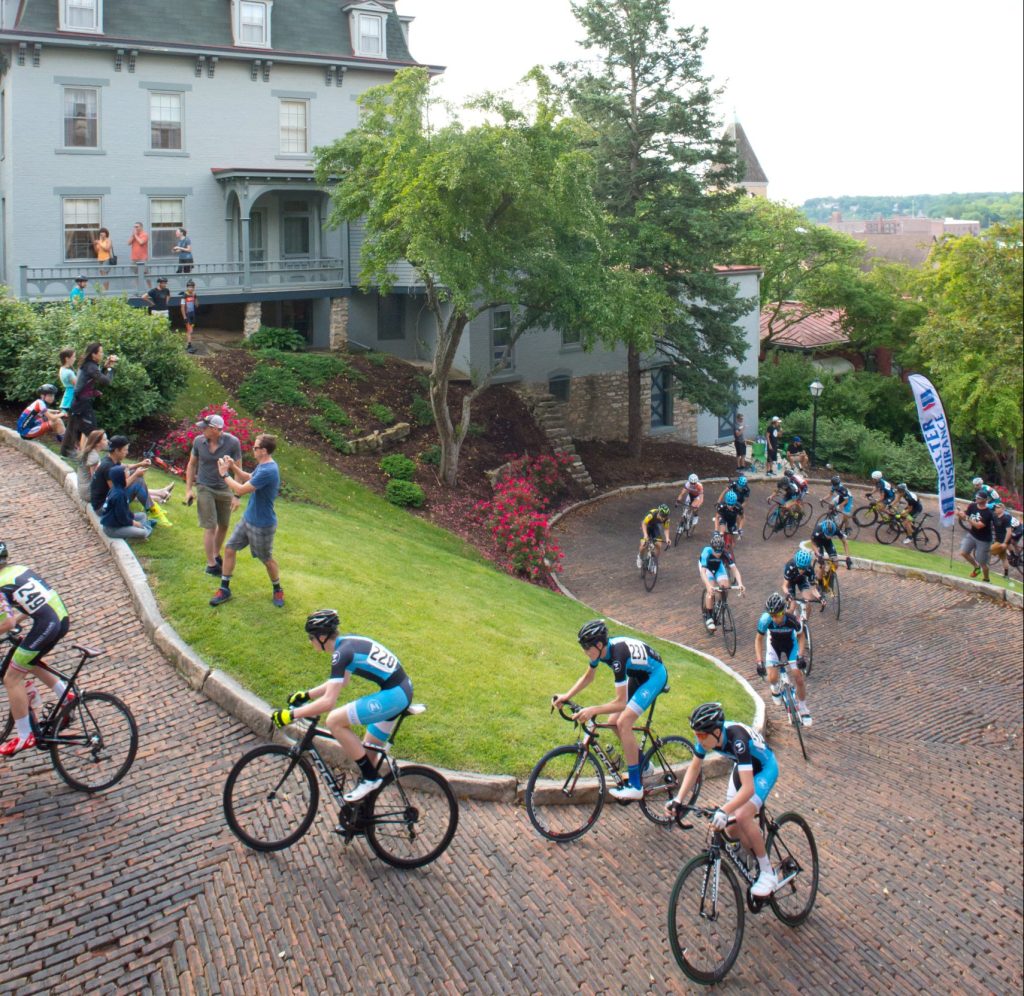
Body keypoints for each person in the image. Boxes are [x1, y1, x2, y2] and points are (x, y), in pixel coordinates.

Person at [271, 609, 414, 803]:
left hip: (395, 695)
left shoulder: (340, 654)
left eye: (311, 637)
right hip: (400, 689)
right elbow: (341, 682)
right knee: (368, 756)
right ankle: (363, 815)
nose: (310, 641)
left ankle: (371, 779)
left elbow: (329, 702)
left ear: (321, 637)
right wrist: (306, 695)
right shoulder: (347, 643)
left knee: (335, 720)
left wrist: (292, 714)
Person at [666, 703, 781, 898]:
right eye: (695, 734)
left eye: (701, 735)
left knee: (742, 815)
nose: (698, 739)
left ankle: (767, 872)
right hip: (743, 767)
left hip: (764, 769)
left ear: (717, 732)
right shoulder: (706, 737)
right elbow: (694, 769)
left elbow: (748, 789)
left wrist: (724, 809)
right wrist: (678, 799)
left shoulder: (738, 740)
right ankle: (751, 848)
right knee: (730, 827)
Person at [553, 620, 669, 801]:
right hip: (639, 675)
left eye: (586, 647)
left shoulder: (617, 657)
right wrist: (566, 696)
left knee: (623, 722)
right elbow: (589, 676)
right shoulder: (601, 651)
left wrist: (592, 710)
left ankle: (636, 787)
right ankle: (643, 766)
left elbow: (621, 703)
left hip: (655, 676)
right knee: (612, 722)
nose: (584, 651)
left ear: (599, 645)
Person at [0, 541, 75, 756]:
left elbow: (7, 624)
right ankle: (66, 695)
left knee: (11, 678)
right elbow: (33, 603)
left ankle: (25, 736)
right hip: (59, 617)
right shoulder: (18, 571)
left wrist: (11, 623)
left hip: (46, 625)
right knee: (27, 660)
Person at [210, 434, 283, 608]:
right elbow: (248, 477)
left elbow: (241, 490)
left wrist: (224, 474)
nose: (253, 449)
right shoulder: (263, 465)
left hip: (262, 524)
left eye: (255, 447)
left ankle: (278, 589)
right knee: (229, 548)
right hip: (248, 519)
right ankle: (224, 588)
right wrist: (234, 467)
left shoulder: (269, 470)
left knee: (266, 559)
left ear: (264, 451)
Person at [185, 413, 242, 576]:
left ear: (215, 429)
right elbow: (191, 465)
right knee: (210, 526)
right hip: (204, 486)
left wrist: (237, 495)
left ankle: (216, 555)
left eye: (205, 427)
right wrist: (189, 489)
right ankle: (211, 564)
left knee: (223, 525)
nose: (201, 430)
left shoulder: (232, 443)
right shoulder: (198, 441)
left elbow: (238, 469)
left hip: (224, 488)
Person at [88, 434, 172, 524]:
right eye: (125, 450)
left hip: (108, 499)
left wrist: (140, 464)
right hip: (103, 508)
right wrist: (135, 475)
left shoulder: (110, 459)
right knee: (138, 481)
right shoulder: (108, 467)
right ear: (117, 450)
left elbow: (125, 467)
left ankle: (152, 506)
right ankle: (153, 510)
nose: (127, 452)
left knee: (135, 474)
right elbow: (116, 488)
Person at [756, 592, 811, 726]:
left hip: (790, 645)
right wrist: (759, 662)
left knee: (798, 677)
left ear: (783, 611)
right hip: (773, 645)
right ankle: (775, 687)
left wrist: (800, 656)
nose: (775, 618)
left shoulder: (792, 619)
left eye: (778, 615)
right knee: (772, 677)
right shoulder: (765, 620)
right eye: (772, 615)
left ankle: (803, 707)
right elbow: (758, 640)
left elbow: (801, 637)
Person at [61, 341, 117, 458]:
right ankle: (88, 456)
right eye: (100, 352)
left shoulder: (89, 365)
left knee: (73, 427)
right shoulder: (90, 366)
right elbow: (106, 381)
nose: (102, 354)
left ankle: (67, 452)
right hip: (81, 403)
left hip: (79, 402)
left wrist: (106, 367)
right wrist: (111, 369)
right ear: (94, 354)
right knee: (91, 429)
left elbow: (96, 376)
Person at [698, 532, 744, 631]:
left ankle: (719, 604)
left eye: (720, 551)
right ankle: (709, 617)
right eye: (716, 551)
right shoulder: (707, 552)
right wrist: (708, 586)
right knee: (711, 589)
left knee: (725, 587)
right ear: (712, 548)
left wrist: (740, 583)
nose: (718, 554)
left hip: (718, 567)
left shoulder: (725, 553)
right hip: (707, 569)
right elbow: (703, 572)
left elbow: (735, 570)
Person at [99, 464, 155, 540]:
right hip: (112, 528)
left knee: (142, 515)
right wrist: (134, 523)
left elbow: (125, 512)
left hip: (118, 521)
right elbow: (122, 518)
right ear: (121, 477)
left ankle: (143, 526)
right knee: (143, 533)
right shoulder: (119, 495)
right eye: (127, 471)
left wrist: (132, 518)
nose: (129, 472)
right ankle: (146, 527)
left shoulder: (118, 488)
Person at [956, 491, 995, 582]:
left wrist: (966, 518)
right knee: (963, 552)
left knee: (983, 563)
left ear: (985, 500)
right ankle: (976, 567)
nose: (976, 499)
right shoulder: (972, 506)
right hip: (972, 534)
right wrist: (960, 514)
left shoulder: (988, 513)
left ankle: (986, 578)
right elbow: (965, 517)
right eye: (976, 497)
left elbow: (978, 525)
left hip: (984, 540)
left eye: (979, 498)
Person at [782, 547, 823, 613]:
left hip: (801, 580)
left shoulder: (810, 569)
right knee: (791, 607)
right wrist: (787, 594)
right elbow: (784, 586)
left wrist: (820, 598)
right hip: (790, 581)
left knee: (808, 601)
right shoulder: (790, 565)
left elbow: (813, 589)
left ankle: (805, 622)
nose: (801, 570)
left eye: (803, 568)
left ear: (807, 566)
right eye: (799, 567)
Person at [75, 428, 108, 502]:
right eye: (105, 439)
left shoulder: (90, 452)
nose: (107, 441)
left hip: (83, 490)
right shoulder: (94, 457)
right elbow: (95, 479)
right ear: (97, 443)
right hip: (89, 493)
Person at [989, 501, 1021, 576]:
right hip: (999, 540)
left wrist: (1005, 543)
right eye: (995, 507)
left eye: (998, 507)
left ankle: (983, 568)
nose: (996, 509)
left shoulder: (1006, 518)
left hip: (1002, 541)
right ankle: (1006, 575)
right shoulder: (995, 517)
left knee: (987, 552)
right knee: (1003, 558)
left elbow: (1009, 532)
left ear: (1003, 509)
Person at [637, 503, 671, 568]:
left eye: (665, 516)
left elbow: (666, 529)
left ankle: (654, 562)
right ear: (658, 512)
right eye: (662, 515)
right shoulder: (651, 514)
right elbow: (644, 523)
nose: (663, 518)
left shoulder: (666, 519)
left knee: (659, 544)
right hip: (646, 526)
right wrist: (645, 535)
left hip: (655, 527)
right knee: (643, 545)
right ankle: (640, 557)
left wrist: (667, 538)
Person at [180, 280, 198, 352]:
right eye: (189, 287)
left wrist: (195, 297)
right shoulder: (184, 295)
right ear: (187, 288)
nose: (190, 288)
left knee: (191, 330)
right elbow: (182, 307)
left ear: (194, 288)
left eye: (192, 287)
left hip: (192, 314)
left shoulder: (193, 294)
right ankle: (189, 346)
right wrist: (184, 317)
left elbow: (197, 305)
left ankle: (189, 344)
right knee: (189, 330)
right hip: (187, 315)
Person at [58, 348, 77, 415]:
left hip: (66, 398)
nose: (75, 359)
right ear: (67, 359)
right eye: (73, 357)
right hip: (71, 399)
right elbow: (77, 386)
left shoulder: (62, 369)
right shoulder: (69, 373)